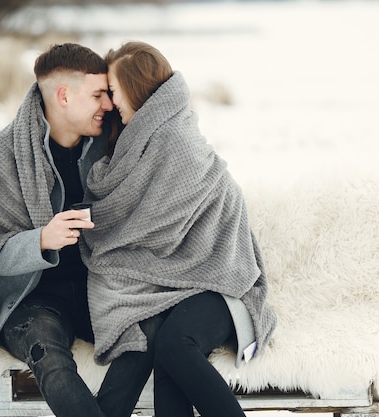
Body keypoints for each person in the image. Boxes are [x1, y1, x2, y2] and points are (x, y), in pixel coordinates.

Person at [0, 43, 156, 417]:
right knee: (48, 355)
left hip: (102, 288)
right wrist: (39, 240)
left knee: (150, 332)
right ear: (64, 96)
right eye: (98, 95)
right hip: (32, 300)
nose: (107, 105)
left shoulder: (112, 144)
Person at [79, 41, 277, 417]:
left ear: (137, 90)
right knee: (167, 359)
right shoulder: (139, 141)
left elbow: (157, 227)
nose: (111, 102)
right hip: (182, 290)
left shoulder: (175, 142)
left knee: (173, 345)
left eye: (114, 91)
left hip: (221, 283)